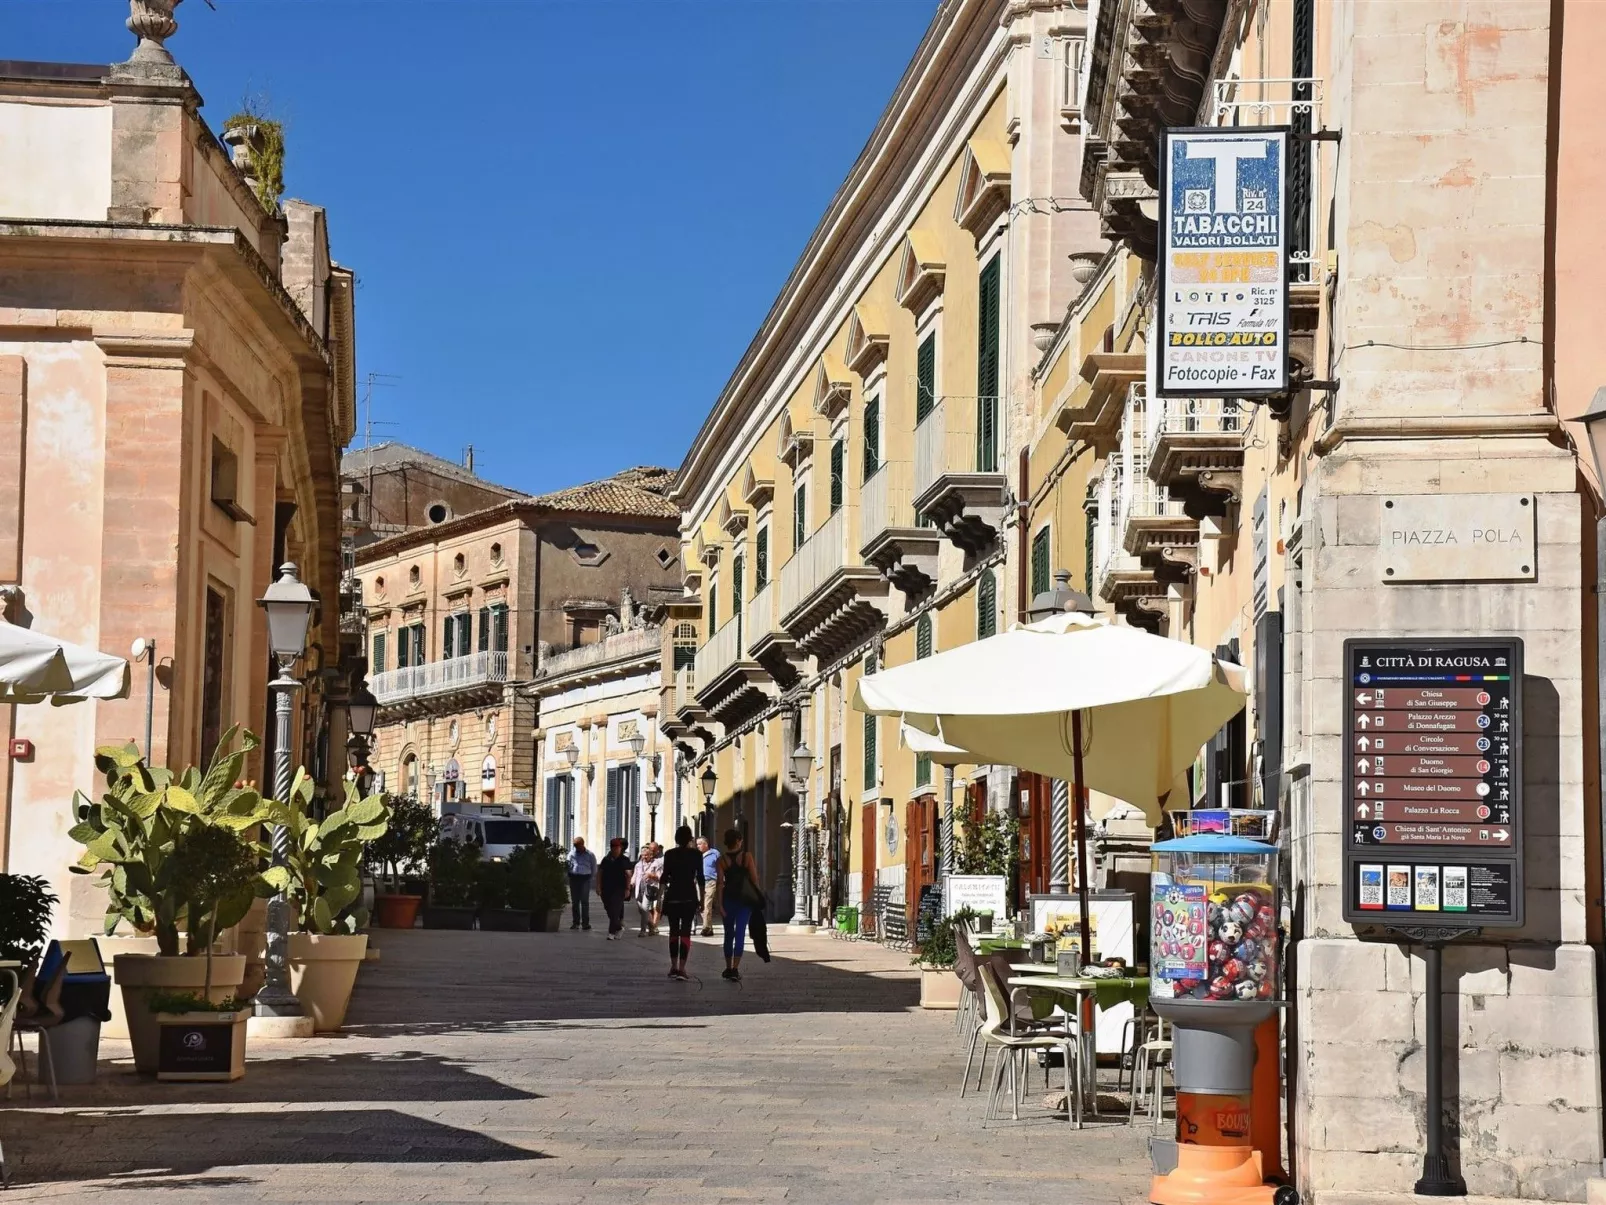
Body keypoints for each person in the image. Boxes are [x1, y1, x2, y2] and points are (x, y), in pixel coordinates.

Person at [658, 825, 705, 980]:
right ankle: (682, 968)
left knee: (673, 931)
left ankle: (673, 966)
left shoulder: (669, 854)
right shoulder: (697, 855)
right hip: (689, 896)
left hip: (673, 896)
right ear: (690, 838)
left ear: (676, 839)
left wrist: (659, 898)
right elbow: (700, 878)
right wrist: (702, 899)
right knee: (685, 931)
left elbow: (664, 877)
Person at [717, 828, 763, 982]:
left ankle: (728, 968)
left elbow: (719, 884)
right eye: (741, 839)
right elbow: (754, 879)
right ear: (737, 841)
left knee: (728, 934)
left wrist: (720, 904)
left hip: (728, 900)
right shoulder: (747, 857)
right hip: (744, 901)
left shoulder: (722, 860)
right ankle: (735, 968)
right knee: (740, 933)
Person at [597, 837, 633, 940]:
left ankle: (611, 933)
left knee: (615, 910)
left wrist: (627, 888)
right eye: (613, 847)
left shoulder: (624, 860)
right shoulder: (606, 859)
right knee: (608, 909)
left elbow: (628, 874)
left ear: (620, 848)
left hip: (619, 889)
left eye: (617, 847)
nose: (615, 849)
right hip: (606, 888)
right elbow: (600, 873)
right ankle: (619, 927)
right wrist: (598, 886)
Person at [567, 836, 597, 930]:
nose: (576, 848)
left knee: (584, 902)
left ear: (582, 844)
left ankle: (585, 923)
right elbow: (568, 864)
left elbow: (594, 867)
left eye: (577, 846)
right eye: (575, 846)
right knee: (575, 902)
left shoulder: (590, 855)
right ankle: (575, 923)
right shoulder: (571, 854)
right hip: (574, 878)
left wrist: (590, 878)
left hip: (585, 879)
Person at [696, 836, 720, 936]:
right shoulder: (696, 855)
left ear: (706, 844)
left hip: (710, 881)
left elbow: (720, 867)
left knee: (707, 904)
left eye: (699, 844)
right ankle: (709, 927)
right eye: (697, 844)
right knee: (701, 905)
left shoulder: (715, 854)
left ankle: (705, 928)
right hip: (699, 883)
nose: (698, 846)